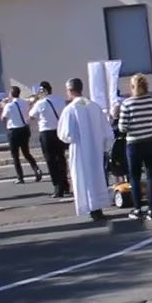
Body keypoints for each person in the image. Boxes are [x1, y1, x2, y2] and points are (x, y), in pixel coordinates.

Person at [58, 77, 114, 223]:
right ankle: (98, 208)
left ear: (70, 90)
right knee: (96, 177)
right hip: (96, 150)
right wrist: (105, 147)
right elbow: (107, 131)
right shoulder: (94, 106)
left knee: (83, 178)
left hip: (80, 150)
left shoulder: (70, 109)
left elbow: (65, 134)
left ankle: (89, 207)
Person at [119, 73, 152, 221]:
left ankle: (137, 208)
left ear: (133, 87)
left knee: (135, 177)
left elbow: (122, 127)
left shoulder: (127, 104)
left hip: (135, 143)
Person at [29, 82, 70, 199]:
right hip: (59, 131)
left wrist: (33, 102)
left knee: (51, 161)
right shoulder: (60, 100)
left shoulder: (40, 103)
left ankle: (58, 187)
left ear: (43, 91)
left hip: (47, 133)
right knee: (61, 159)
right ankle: (65, 185)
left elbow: (31, 116)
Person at [0, 86, 43, 185]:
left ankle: (20, 177)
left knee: (15, 156)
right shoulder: (24, 102)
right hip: (24, 129)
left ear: (11, 94)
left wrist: (3, 106)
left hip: (14, 131)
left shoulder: (8, 106)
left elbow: (3, 118)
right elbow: (31, 101)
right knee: (26, 152)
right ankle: (36, 169)